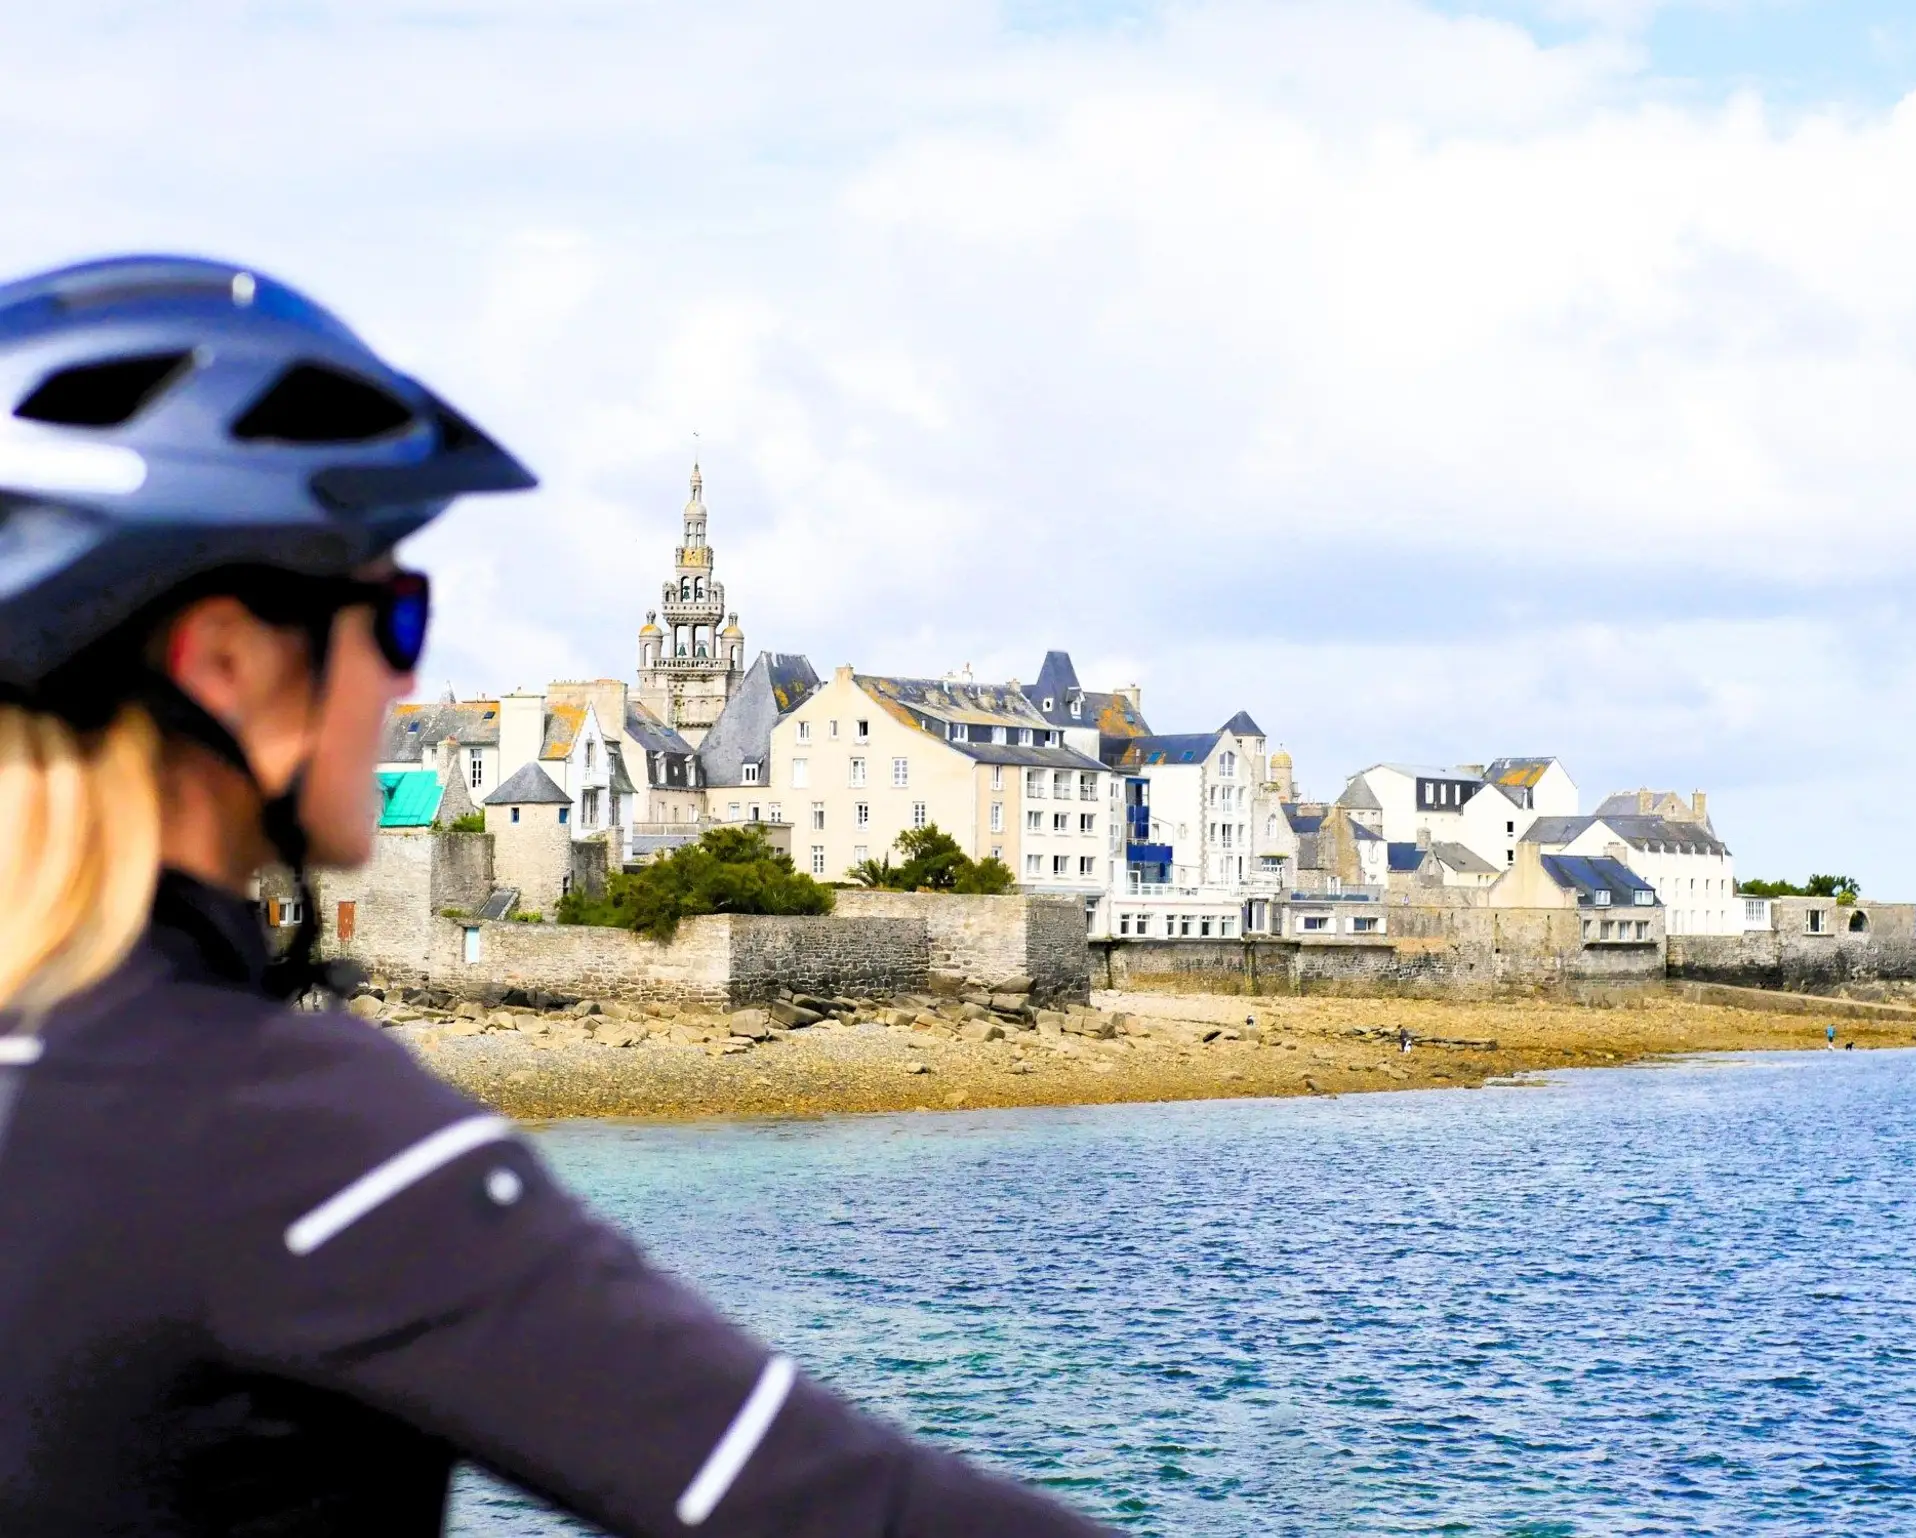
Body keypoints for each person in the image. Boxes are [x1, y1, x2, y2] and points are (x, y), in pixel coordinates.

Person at [0, 256, 1114, 1536]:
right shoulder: (288, 1137)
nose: (405, 692)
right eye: (395, 616)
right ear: (231, 665)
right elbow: (834, 1506)